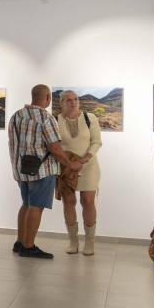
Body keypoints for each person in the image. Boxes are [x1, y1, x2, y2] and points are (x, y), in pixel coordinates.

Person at [9, 85, 84, 258]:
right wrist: (70, 165)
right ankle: (28, 247)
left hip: (21, 170)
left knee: (26, 204)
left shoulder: (16, 116)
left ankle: (20, 242)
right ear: (48, 97)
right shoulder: (46, 118)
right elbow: (55, 149)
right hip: (41, 171)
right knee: (36, 206)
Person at [56, 91, 102, 255]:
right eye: (68, 100)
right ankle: (73, 241)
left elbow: (96, 142)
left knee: (88, 201)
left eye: (75, 99)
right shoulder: (55, 120)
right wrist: (68, 163)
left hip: (88, 166)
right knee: (68, 202)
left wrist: (85, 159)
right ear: (61, 103)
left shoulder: (90, 118)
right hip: (66, 167)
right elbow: (54, 146)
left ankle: (89, 242)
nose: (73, 102)